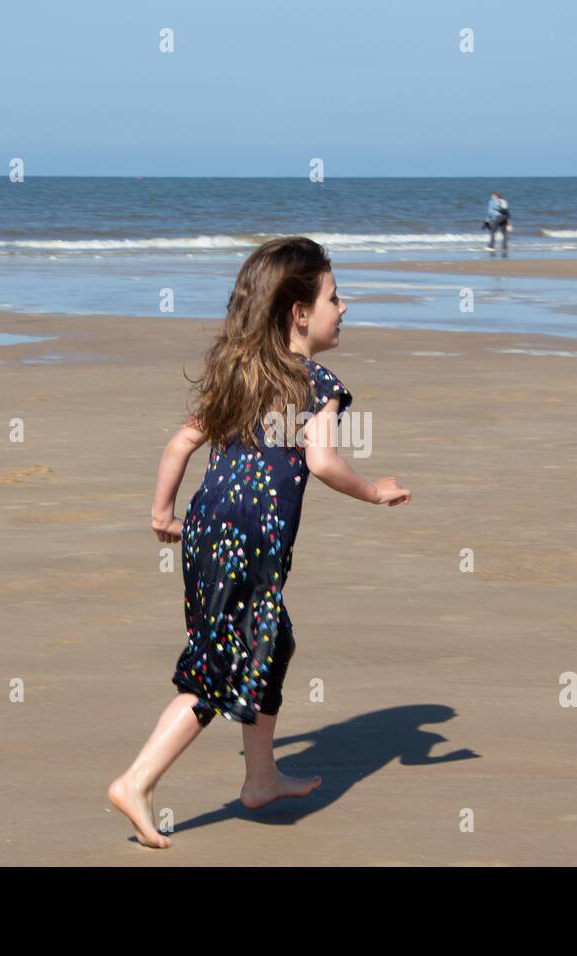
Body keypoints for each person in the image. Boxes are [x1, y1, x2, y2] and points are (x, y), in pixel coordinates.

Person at [107, 236, 412, 848]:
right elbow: (322, 463)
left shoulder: (239, 372)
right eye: (333, 295)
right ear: (300, 312)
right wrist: (375, 491)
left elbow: (179, 445)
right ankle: (137, 781)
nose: (344, 306)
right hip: (248, 540)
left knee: (271, 642)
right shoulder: (316, 384)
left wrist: (162, 513)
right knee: (220, 666)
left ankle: (261, 777)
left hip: (207, 530)